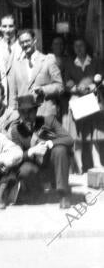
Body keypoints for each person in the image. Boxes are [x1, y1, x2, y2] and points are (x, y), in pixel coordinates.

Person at [9, 95, 73, 209]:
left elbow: (69, 139)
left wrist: (50, 143)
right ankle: (36, 191)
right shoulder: (16, 130)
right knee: (24, 170)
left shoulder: (49, 120)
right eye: (23, 112)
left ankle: (63, 194)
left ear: (36, 110)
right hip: (35, 169)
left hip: (53, 166)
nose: (27, 115)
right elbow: (15, 157)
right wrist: (31, 151)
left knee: (60, 149)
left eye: (30, 111)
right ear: (19, 113)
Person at [63, 38, 104, 171]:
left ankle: (97, 164)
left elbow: (101, 79)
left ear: (86, 47)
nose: (79, 48)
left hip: (92, 100)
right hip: (77, 101)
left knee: (94, 134)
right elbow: (67, 82)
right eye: (76, 46)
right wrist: (75, 88)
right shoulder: (69, 63)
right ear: (73, 48)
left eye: (81, 45)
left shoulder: (95, 62)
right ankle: (80, 167)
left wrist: (93, 85)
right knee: (77, 135)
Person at [7, 29, 63, 117]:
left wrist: (43, 90)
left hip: (44, 113)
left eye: (27, 41)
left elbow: (60, 86)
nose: (25, 44)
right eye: (22, 42)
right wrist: (13, 112)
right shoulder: (16, 65)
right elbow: (13, 94)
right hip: (24, 115)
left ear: (34, 40)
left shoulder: (48, 60)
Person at [0, 14, 21, 102]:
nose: (7, 30)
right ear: (0, 27)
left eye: (10, 26)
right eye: (4, 26)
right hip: (0, 96)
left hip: (19, 93)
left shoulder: (23, 46)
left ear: (15, 27)